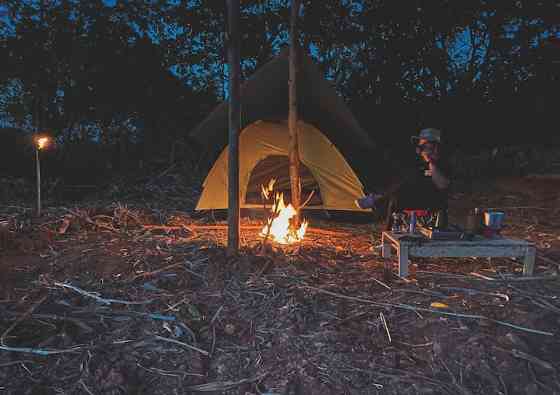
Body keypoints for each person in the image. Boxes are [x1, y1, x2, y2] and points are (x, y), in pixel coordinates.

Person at [355, 128, 452, 230]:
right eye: (420, 146)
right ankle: (387, 232)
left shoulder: (443, 163)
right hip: (415, 196)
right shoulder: (418, 163)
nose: (420, 148)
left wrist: (430, 161)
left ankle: (376, 198)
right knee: (398, 192)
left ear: (435, 147)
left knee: (399, 192)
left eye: (424, 145)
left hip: (432, 200)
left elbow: (442, 185)